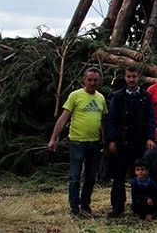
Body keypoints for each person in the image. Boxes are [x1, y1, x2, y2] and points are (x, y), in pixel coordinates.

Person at [48, 67, 108, 215]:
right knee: (75, 176)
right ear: (84, 80)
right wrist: (53, 138)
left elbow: (103, 123)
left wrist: (105, 142)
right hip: (77, 142)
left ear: (99, 81)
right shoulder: (75, 96)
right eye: (90, 80)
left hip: (94, 143)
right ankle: (74, 208)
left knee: (90, 176)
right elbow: (63, 118)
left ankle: (85, 206)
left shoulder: (100, 98)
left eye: (95, 80)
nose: (92, 83)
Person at [105, 65, 156, 217]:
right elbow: (111, 120)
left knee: (139, 177)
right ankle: (117, 207)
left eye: (134, 76)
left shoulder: (146, 96)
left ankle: (138, 206)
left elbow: (151, 118)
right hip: (121, 143)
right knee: (119, 177)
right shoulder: (118, 96)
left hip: (139, 143)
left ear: (138, 76)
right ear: (125, 77)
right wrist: (112, 139)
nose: (131, 79)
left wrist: (150, 137)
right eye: (129, 76)